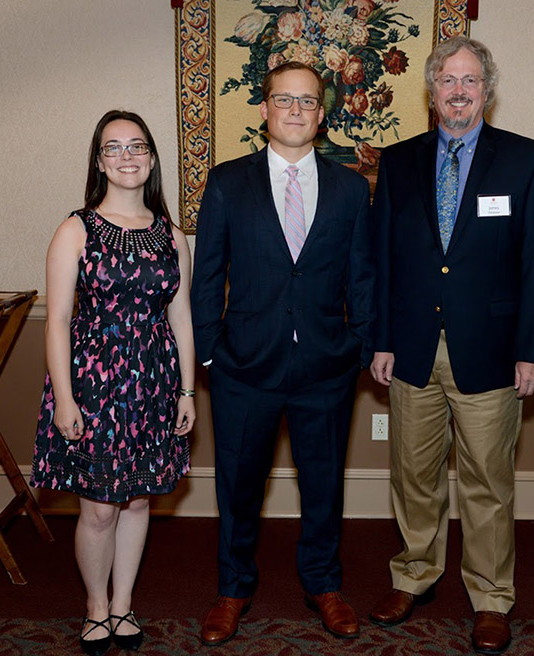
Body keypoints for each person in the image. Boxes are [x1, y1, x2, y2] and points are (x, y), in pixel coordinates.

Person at [369, 36, 534, 654]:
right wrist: (382, 340)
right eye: (447, 79)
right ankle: (414, 574)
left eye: (470, 80)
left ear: (488, 89)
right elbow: (383, 261)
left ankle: (491, 596)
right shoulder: (397, 162)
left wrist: (532, 349)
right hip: (413, 348)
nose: (458, 90)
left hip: (493, 350)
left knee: (486, 480)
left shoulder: (526, 160)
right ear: (431, 89)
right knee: (414, 474)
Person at [191, 61, 374, 645]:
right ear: (265, 109)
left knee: (324, 483)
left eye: (308, 102)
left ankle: (323, 583)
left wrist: (363, 345)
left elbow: (361, 275)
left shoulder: (350, 187)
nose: (295, 111)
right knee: (238, 485)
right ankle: (233, 588)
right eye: (284, 100)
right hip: (243, 366)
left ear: (322, 115)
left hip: (326, 365)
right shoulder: (226, 182)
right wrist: (212, 354)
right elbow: (207, 276)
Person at [31, 110, 196, 656]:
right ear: (99, 161)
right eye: (114, 148)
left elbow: (182, 319)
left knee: (140, 502)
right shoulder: (74, 228)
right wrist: (65, 399)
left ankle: (123, 604)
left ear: (151, 157)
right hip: (94, 384)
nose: (127, 156)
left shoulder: (172, 236)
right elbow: (56, 320)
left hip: (153, 383)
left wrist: (187, 391)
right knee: (99, 506)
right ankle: (96, 607)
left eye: (137, 146)